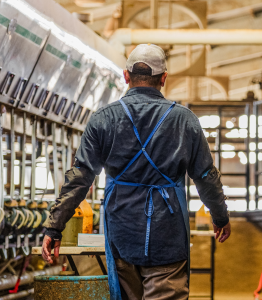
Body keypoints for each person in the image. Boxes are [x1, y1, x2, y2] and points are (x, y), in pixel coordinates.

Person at [40, 44, 231, 300]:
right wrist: (220, 217)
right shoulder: (185, 121)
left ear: (125, 76)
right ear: (164, 78)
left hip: (122, 234)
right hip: (168, 237)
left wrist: (54, 227)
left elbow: (80, 177)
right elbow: (206, 176)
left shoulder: (103, 119)